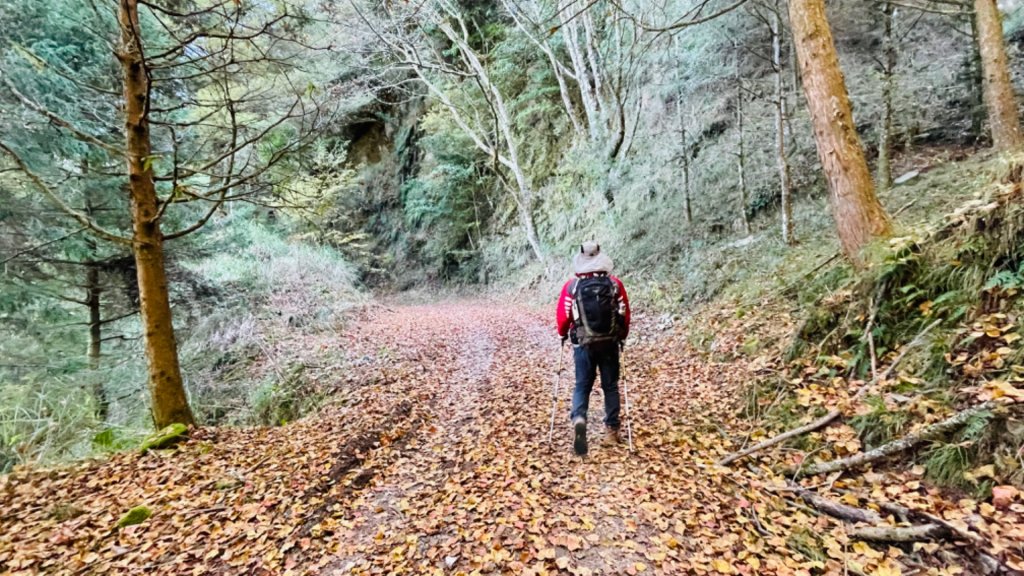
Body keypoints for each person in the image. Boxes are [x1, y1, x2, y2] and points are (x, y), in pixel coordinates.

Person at [555, 242, 631, 456]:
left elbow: (563, 317)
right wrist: (621, 336)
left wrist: (563, 333)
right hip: (609, 342)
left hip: (583, 344)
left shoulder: (572, 287)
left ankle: (579, 419)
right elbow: (624, 313)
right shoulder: (615, 285)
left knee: (582, 385)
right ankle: (611, 431)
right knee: (610, 386)